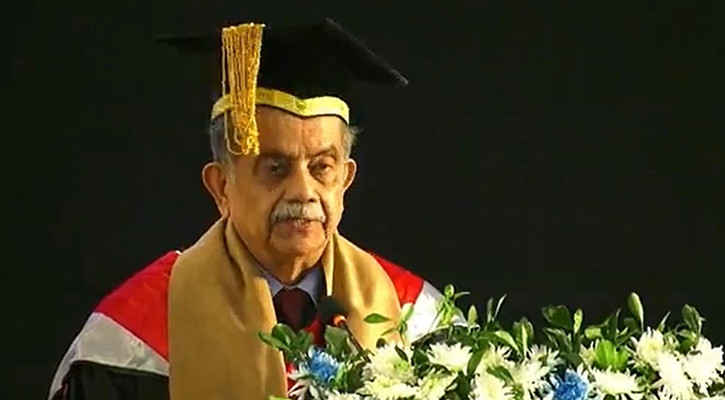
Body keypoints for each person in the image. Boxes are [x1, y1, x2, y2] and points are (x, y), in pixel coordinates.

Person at [48, 18, 449, 400]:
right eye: (275, 168)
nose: (303, 192)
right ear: (221, 186)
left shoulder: (414, 319)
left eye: (321, 167)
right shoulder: (134, 335)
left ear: (345, 180)